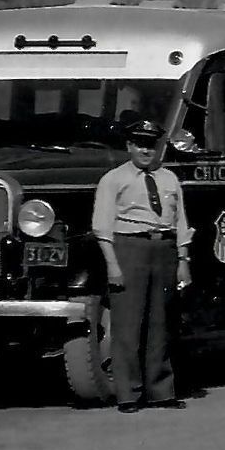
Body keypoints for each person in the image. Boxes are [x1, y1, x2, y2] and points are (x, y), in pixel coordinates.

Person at [91, 117, 192, 412]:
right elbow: (102, 228)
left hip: (164, 249)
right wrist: (113, 266)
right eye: (140, 144)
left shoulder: (169, 179)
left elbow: (181, 222)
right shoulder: (113, 179)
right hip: (129, 248)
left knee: (162, 322)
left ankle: (161, 390)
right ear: (129, 146)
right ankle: (128, 394)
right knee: (128, 325)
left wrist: (183, 260)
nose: (146, 151)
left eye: (151, 145)